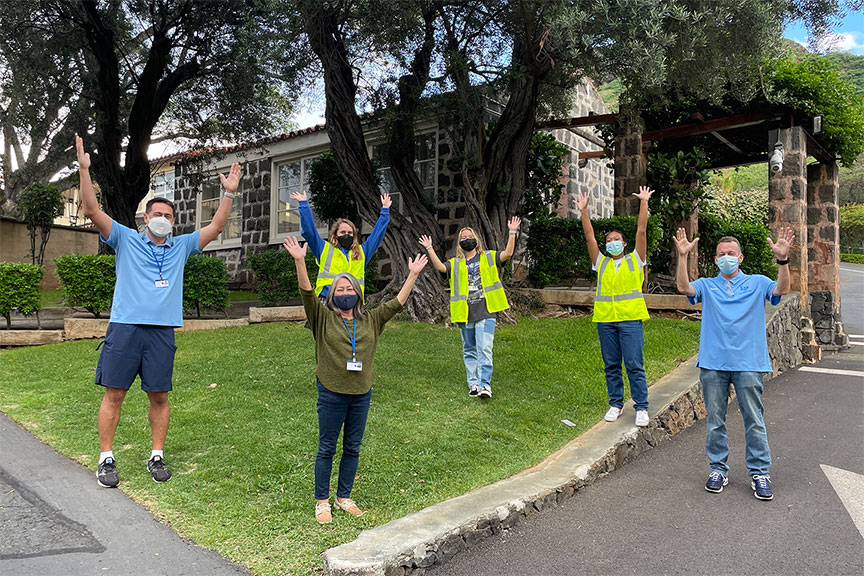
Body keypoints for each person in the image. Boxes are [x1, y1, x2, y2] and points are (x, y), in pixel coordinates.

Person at [76, 135, 242, 489]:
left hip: (161, 332)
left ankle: (157, 455)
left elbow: (215, 227)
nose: (164, 219)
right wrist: (85, 170)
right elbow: (91, 210)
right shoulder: (125, 238)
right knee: (114, 394)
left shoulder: (181, 246)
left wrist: (228, 192)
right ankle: (106, 457)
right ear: (146, 217)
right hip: (124, 328)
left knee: (159, 396)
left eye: (169, 216)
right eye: (158, 215)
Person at [282, 235, 428, 524]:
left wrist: (412, 275)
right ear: (334, 294)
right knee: (327, 447)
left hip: (361, 393)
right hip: (331, 391)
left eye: (349, 288)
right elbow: (308, 294)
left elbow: (397, 302)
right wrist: (300, 261)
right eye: (340, 288)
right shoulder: (323, 317)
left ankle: (343, 496)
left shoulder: (371, 319)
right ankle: (322, 500)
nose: (345, 292)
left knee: (352, 447)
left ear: (358, 293)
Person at [674, 226, 793, 500]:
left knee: (754, 419)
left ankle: (760, 473)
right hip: (714, 363)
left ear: (740, 258)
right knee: (715, 420)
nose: (726, 257)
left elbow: (781, 289)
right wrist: (682, 257)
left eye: (731, 253)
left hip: (749, 363)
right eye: (721, 254)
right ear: (716, 260)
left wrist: (783, 260)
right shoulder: (708, 284)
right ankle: (718, 469)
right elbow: (684, 287)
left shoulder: (757, 282)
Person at [418, 217, 520, 398]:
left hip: (487, 311)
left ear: (476, 239)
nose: (467, 239)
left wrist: (512, 232)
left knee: (485, 348)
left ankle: (485, 385)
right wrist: (429, 248)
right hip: (465, 313)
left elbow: (507, 254)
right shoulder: (455, 263)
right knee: (470, 349)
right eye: (463, 238)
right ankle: (473, 383)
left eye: (469, 236)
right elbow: (441, 267)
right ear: (459, 243)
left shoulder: (488, 256)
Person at [576, 186, 653, 427]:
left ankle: (641, 406)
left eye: (616, 239)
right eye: (609, 240)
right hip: (605, 320)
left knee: (633, 364)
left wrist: (643, 202)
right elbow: (589, 237)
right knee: (611, 364)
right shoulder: (601, 263)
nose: (612, 243)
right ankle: (616, 403)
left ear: (624, 243)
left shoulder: (635, 259)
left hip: (630, 320)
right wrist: (584, 212)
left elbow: (642, 229)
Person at [290, 190, 391, 300]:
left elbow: (377, 235)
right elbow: (309, 232)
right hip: (328, 299)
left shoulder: (363, 251)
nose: (346, 235)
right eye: (343, 232)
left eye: (350, 233)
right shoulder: (324, 248)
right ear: (335, 235)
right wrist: (304, 205)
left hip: (353, 302)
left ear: (354, 235)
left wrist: (385, 211)